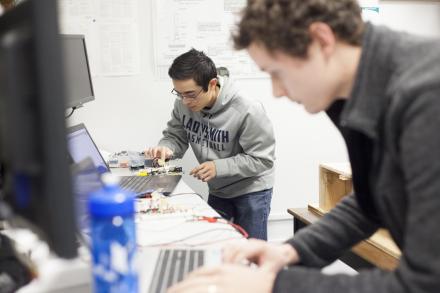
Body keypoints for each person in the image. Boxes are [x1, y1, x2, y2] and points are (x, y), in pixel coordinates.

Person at [168, 0, 440, 292]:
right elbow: (370, 200)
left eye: (278, 72)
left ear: (322, 40)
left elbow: (426, 282)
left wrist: (275, 283)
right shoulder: (357, 89)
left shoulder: (427, 95)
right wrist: (290, 251)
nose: (277, 91)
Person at [146, 48, 275, 240]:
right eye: (179, 93)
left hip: (251, 191)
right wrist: (167, 148)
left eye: (190, 94)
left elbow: (262, 160)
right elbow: (175, 136)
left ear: (212, 84)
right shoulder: (183, 104)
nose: (185, 101)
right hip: (218, 189)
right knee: (217, 244)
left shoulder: (248, 109)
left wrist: (218, 167)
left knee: (251, 255)